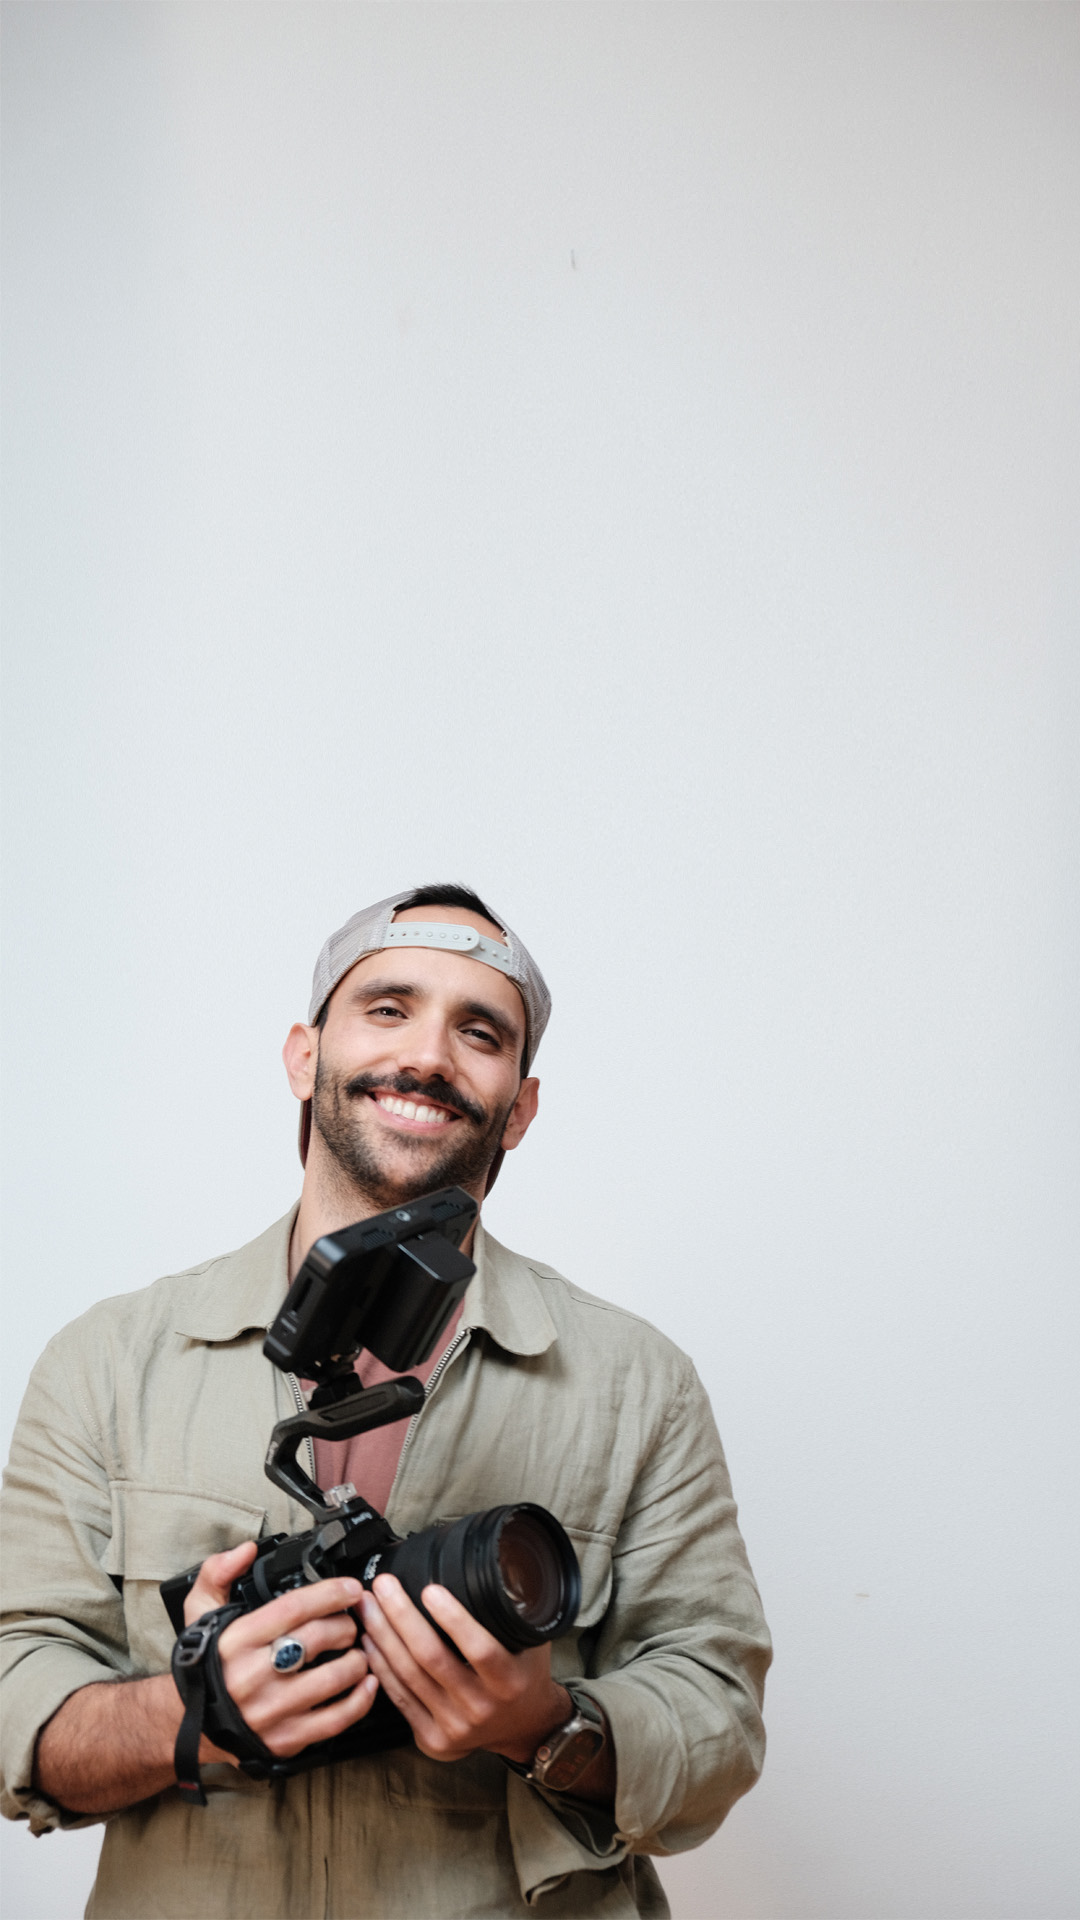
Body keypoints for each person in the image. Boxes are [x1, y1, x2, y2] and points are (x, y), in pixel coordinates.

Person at [0, 885, 771, 1919]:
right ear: (304, 1056)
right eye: (389, 1009)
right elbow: (11, 1692)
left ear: (521, 1106)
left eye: (480, 1033)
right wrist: (194, 1713)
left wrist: (538, 1724)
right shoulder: (108, 1361)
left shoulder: (637, 1383)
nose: (429, 1056)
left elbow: (719, 1714)